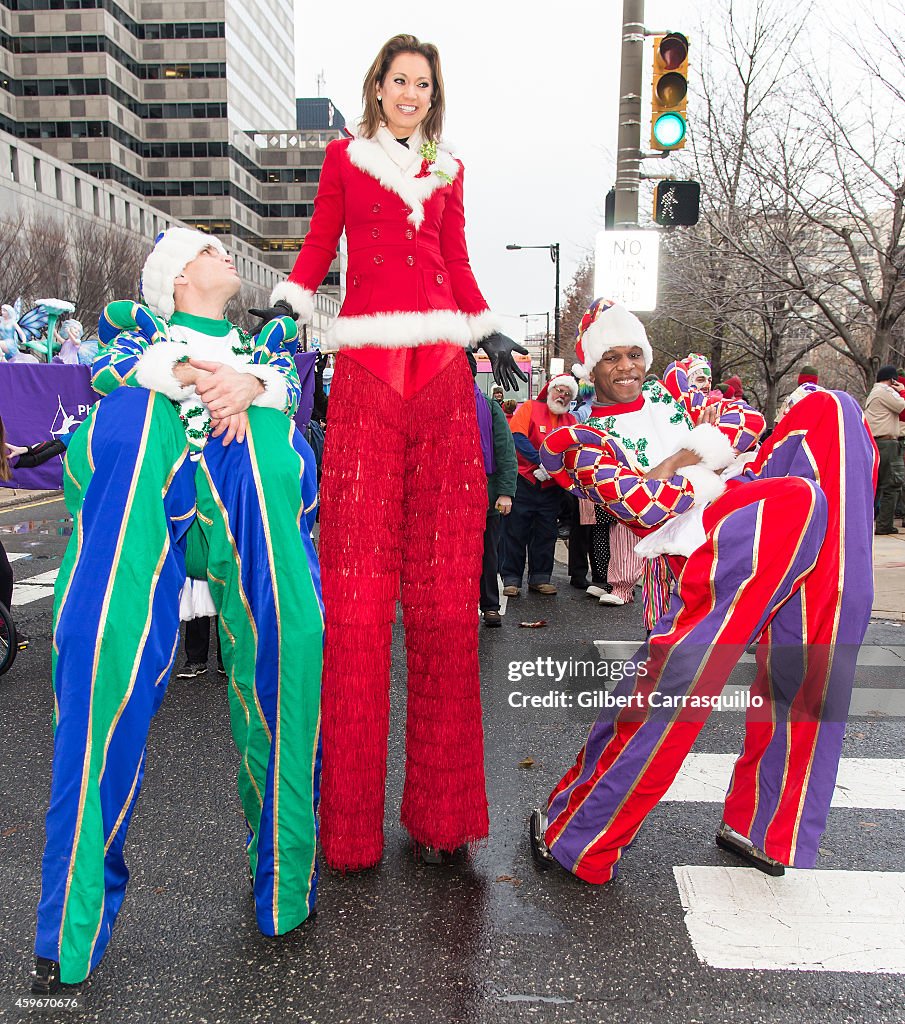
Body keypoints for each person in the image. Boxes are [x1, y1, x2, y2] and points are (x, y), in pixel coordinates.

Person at [258, 34, 527, 871]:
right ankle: (346, 831)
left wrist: (492, 332)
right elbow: (316, 247)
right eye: (399, 79)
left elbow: (456, 261)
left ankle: (442, 818)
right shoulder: (341, 160)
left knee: (447, 607)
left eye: (424, 83)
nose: (411, 92)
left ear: (431, 95)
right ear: (376, 86)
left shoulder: (450, 169)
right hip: (370, 376)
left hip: (446, 377)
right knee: (359, 610)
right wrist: (285, 306)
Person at [31, 228, 323, 992]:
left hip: (249, 485)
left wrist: (252, 387)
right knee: (104, 663)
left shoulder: (271, 354)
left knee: (291, 650)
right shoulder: (139, 337)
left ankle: (285, 887)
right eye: (208, 250)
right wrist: (193, 373)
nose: (227, 255)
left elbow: (289, 388)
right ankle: (71, 924)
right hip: (148, 484)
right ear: (176, 275)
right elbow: (116, 366)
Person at [528, 298, 875, 885]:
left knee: (832, 411)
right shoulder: (581, 438)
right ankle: (579, 835)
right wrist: (706, 457)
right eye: (610, 357)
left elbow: (745, 422)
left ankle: (766, 825)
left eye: (634, 352)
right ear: (591, 367)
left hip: (756, 526)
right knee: (665, 698)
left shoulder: (677, 391)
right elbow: (639, 505)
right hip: (691, 559)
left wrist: (677, 467)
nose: (626, 366)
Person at [500, 375, 578, 598]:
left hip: (551, 485)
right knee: (515, 530)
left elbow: (573, 449)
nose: (561, 396)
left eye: (567, 394)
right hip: (525, 480)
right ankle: (511, 578)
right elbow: (517, 436)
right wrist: (541, 459)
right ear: (550, 389)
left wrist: (553, 467)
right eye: (559, 391)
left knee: (546, 532)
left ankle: (540, 577)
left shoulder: (570, 420)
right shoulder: (530, 408)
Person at [468, 354, 517, 628]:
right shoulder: (437, 407)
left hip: (485, 498)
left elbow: (505, 451)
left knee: (488, 554)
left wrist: (505, 492)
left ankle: (489, 605)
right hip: (446, 500)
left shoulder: (488, 407)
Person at [864, 365, 905, 535]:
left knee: (876, 485)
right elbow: (902, 407)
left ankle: (869, 522)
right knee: (892, 485)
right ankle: (884, 524)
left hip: (876, 443)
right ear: (892, 380)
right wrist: (902, 390)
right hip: (887, 444)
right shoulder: (885, 391)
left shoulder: (875, 392)